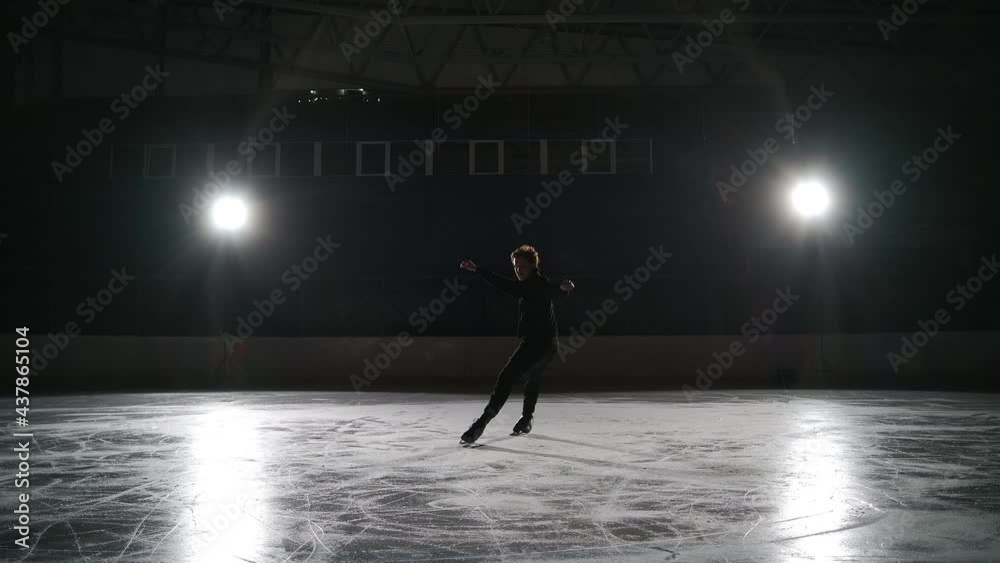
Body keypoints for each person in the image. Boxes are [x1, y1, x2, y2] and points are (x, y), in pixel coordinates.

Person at [458, 245, 575, 444]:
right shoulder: (530, 284)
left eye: (522, 267)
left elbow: (551, 291)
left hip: (540, 345)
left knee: (506, 377)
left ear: (532, 266)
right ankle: (526, 420)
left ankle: (481, 423)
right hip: (547, 346)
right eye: (515, 266)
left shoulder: (537, 284)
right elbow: (505, 284)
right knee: (533, 378)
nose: (518, 271)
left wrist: (564, 290)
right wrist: (478, 270)